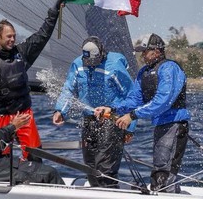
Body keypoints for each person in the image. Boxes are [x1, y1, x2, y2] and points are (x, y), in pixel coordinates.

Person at [0, 0, 65, 161]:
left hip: (24, 114)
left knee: (34, 157)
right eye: (8, 37)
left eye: (14, 36)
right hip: (1, 116)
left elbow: (42, 35)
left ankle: (32, 178)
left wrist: (54, 11)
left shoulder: (22, 52)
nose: (12, 40)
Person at [95, 33, 190, 193]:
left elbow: (163, 101)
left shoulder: (169, 68)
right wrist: (112, 109)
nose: (142, 55)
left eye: (145, 51)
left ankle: (167, 192)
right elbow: (134, 100)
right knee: (161, 169)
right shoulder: (144, 72)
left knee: (163, 174)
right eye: (141, 51)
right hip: (161, 125)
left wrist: (132, 116)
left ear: (157, 51)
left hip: (175, 124)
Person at [52, 36, 136, 188]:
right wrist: (60, 111)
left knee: (105, 170)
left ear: (102, 54)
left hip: (111, 120)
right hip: (89, 120)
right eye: (88, 62)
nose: (91, 65)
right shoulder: (78, 65)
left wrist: (130, 127)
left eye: (94, 62)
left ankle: (109, 191)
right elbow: (69, 89)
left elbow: (131, 96)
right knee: (91, 168)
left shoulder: (114, 66)